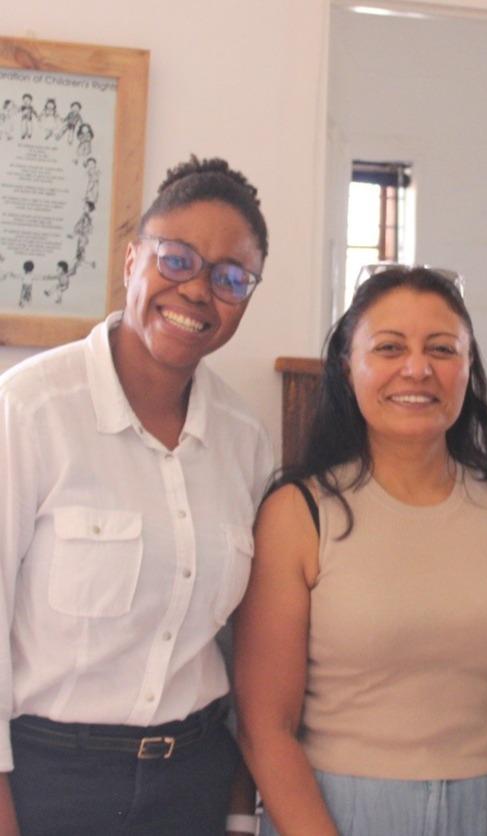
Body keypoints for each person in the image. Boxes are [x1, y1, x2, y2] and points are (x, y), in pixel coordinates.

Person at [235, 266, 487, 836]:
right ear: (347, 366)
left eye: (442, 349)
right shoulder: (299, 512)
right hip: (334, 812)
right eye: (389, 348)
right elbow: (266, 725)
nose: (417, 369)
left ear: (469, 368)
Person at [0, 156, 273, 836]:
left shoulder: (246, 444)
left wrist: (239, 810)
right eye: (176, 260)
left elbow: (246, 653)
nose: (198, 291)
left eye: (231, 278)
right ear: (131, 261)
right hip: (49, 784)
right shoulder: (30, 411)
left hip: (195, 783)